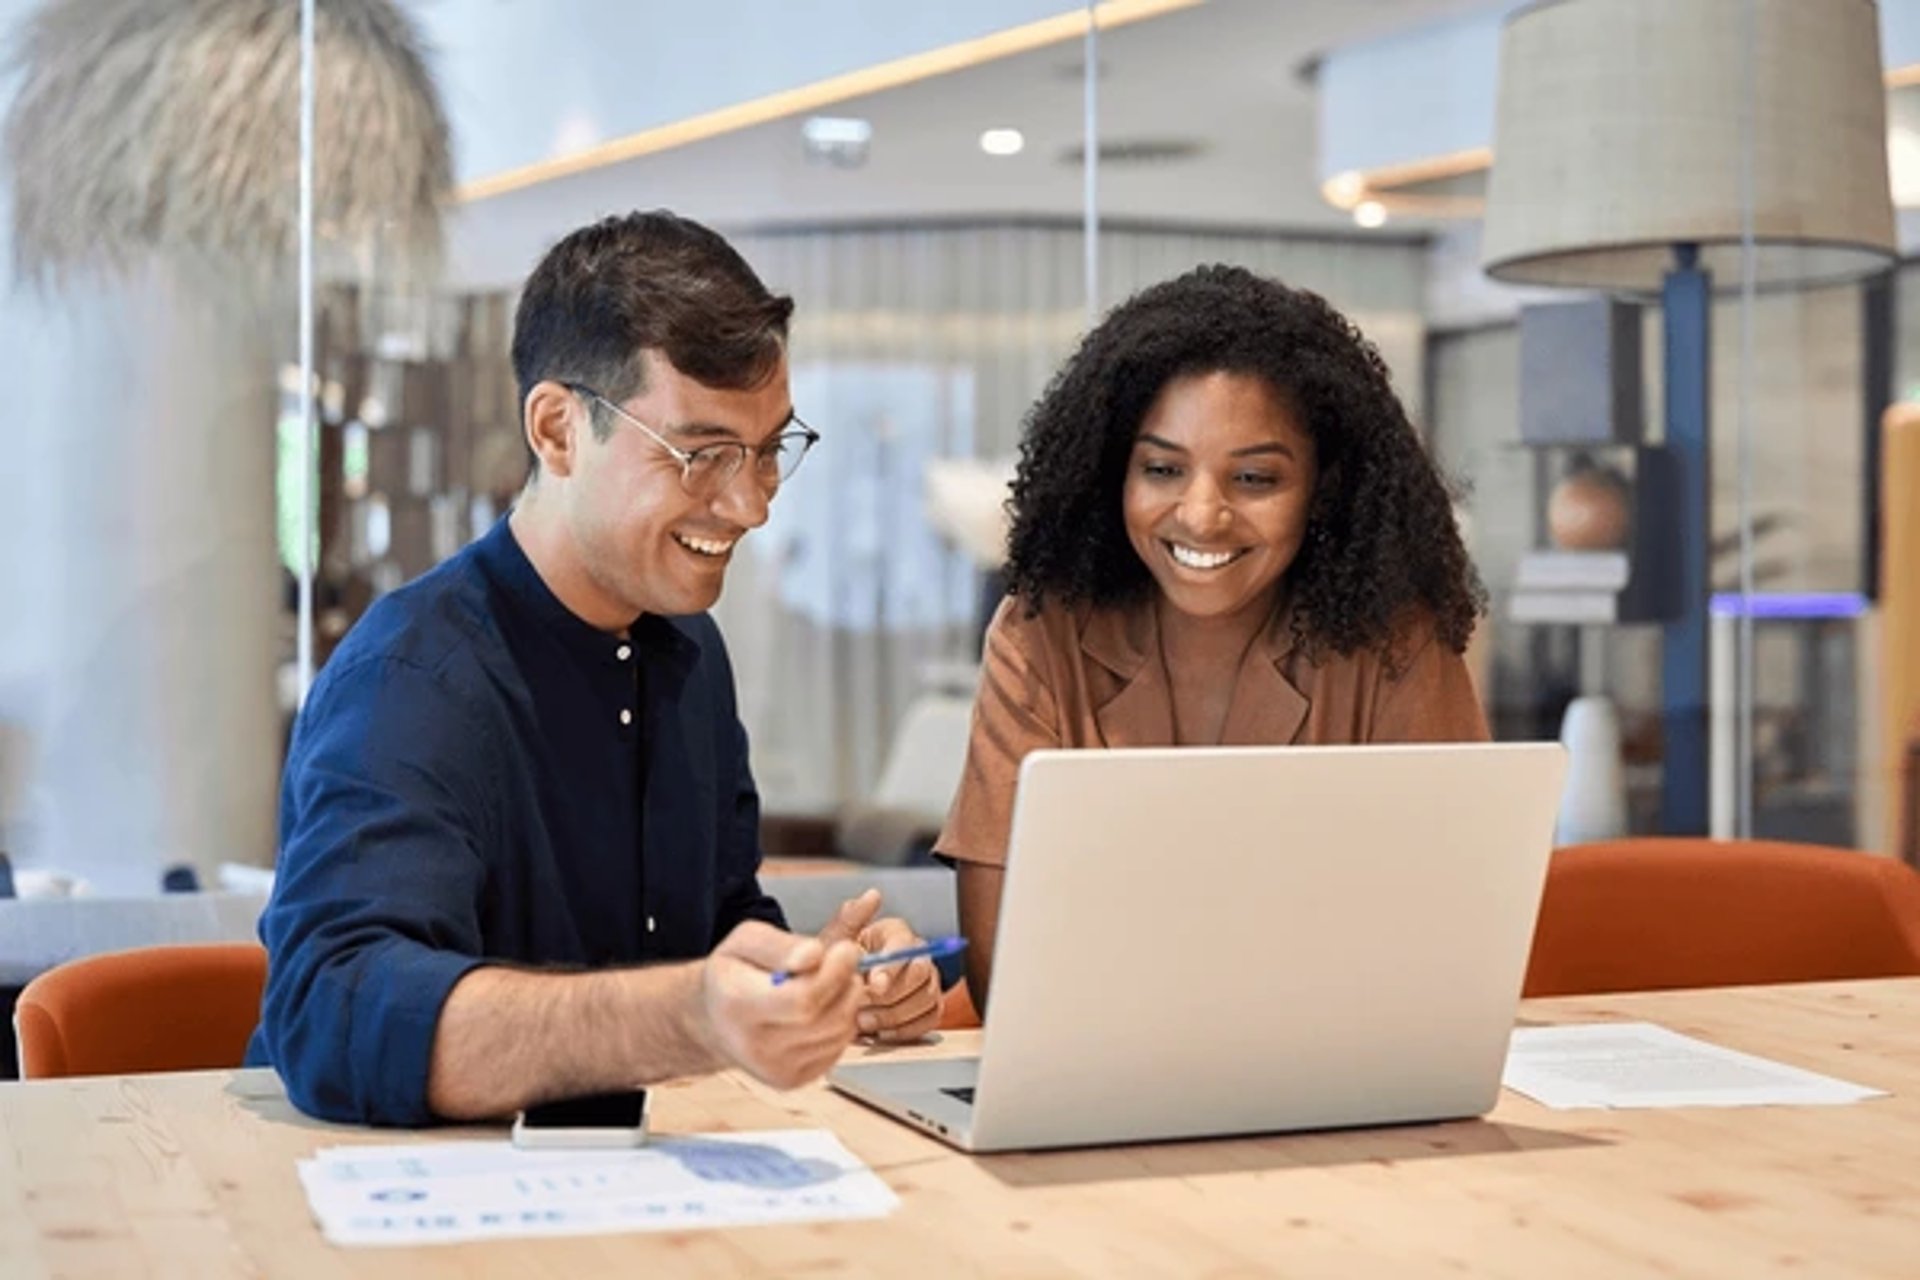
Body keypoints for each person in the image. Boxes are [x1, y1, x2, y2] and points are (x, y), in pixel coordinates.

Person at [251, 211, 942, 1126]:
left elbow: (721, 920)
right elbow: (335, 1012)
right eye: (701, 455)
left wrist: (812, 984)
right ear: (558, 429)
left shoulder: (692, 652)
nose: (750, 506)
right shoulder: (410, 680)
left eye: (770, 450)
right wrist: (688, 1016)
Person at [939, 264, 1490, 1013]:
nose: (1201, 515)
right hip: (1092, 1084)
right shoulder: (1042, 633)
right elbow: (1004, 984)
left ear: (1323, 488)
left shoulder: (1397, 642)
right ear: (1112, 474)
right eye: (1162, 468)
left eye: (1255, 479)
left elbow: (1443, 953)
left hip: (1337, 1084)